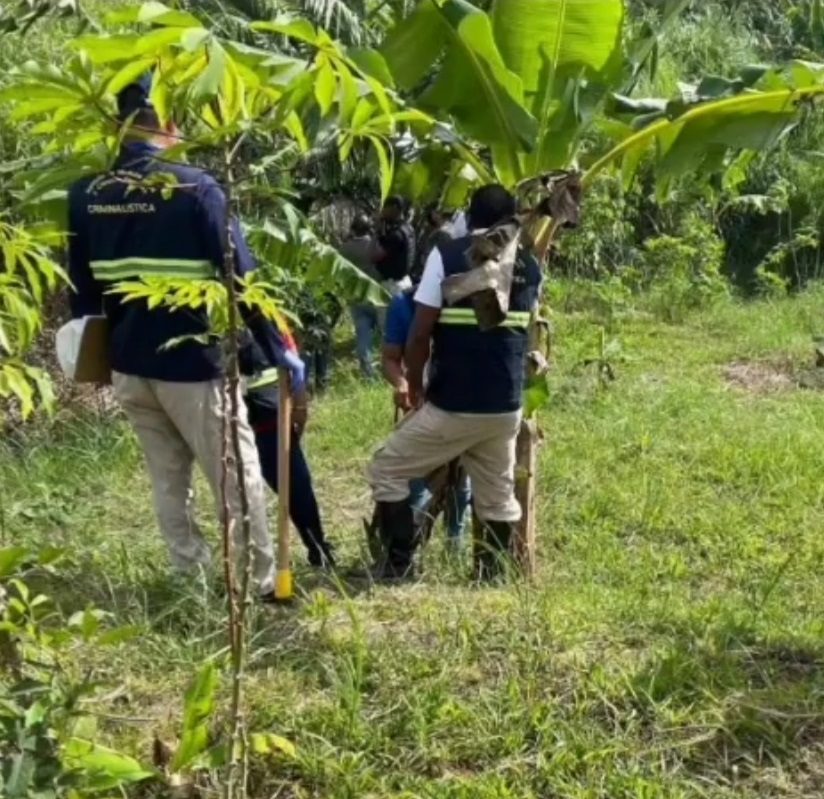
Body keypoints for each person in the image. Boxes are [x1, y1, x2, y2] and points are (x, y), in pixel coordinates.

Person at [66, 75, 304, 602]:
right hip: (194, 368)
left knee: (168, 479)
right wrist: (278, 349)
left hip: (129, 366)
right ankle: (260, 585)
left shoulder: (87, 195)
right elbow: (242, 280)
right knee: (236, 477)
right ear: (169, 124)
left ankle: (189, 581)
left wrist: (95, 364)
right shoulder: (196, 188)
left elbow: (81, 297)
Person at [367, 184, 542, 582]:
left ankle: (399, 565)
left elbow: (419, 332)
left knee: (387, 467)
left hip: (455, 404)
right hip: (505, 407)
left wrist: (415, 388)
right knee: (497, 495)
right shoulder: (531, 264)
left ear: (471, 217)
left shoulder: (447, 255)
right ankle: (492, 578)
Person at [382, 280, 470, 548]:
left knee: (461, 479)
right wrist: (402, 384)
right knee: (416, 479)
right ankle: (412, 547)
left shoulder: (470, 298)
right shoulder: (403, 305)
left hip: (463, 402)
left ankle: (454, 546)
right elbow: (390, 358)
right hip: (420, 404)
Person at [239, 333, 336, 569]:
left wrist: (299, 408)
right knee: (243, 493)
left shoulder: (268, 321)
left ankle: (318, 548)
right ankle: (249, 568)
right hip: (232, 422)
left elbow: (294, 366)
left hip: (272, 423)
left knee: (296, 486)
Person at [340, 214, 381, 379]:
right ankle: (389, 370)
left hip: (356, 297)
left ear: (353, 229)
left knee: (363, 336)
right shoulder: (375, 245)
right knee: (387, 334)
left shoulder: (344, 249)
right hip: (377, 296)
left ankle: (367, 373)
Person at [374, 195, 416, 296]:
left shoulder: (397, 234)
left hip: (392, 286)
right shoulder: (408, 228)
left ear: (394, 208)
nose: (382, 212)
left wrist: (376, 231)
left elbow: (374, 256)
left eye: (385, 208)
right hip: (405, 281)